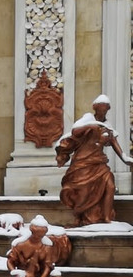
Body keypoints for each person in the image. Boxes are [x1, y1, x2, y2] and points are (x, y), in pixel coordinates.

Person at [56, 94, 132, 226]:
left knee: (110, 186)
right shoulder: (88, 118)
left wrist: (125, 158)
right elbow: (75, 131)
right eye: (100, 109)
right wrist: (91, 125)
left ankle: (107, 217)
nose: (102, 112)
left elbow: (114, 143)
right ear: (95, 108)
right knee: (84, 193)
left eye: (105, 109)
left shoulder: (106, 126)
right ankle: (81, 215)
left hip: (99, 163)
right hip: (83, 164)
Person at [0, 215, 70, 277]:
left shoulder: (46, 246)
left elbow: (47, 269)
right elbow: (10, 261)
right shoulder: (20, 244)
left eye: (41, 235)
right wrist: (14, 272)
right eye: (37, 235)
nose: (39, 238)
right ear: (32, 232)